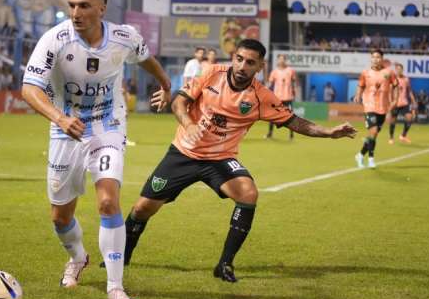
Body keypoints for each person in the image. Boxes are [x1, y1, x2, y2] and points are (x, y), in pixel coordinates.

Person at [106, 39, 356, 283]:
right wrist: (189, 124)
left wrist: (328, 132)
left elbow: (295, 122)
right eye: (239, 59)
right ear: (233, 57)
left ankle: (225, 263)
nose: (242, 66)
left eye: (250, 62)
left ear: (260, 67)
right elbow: (179, 102)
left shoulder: (261, 97)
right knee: (142, 209)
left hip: (220, 159)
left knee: (248, 193)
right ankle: (122, 257)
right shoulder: (212, 73)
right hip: (183, 153)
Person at [21, 0, 171, 299]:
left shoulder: (123, 37)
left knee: (108, 201)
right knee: (60, 216)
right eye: (72, 5)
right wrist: (59, 118)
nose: (76, 12)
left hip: (108, 127)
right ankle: (77, 258)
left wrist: (165, 84)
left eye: (84, 6)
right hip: (65, 131)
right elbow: (29, 89)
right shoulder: (54, 40)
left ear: (101, 8)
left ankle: (115, 288)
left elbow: (146, 58)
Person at [353, 49, 398, 169]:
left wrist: (395, 99)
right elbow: (360, 85)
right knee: (373, 131)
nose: (375, 59)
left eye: (378, 57)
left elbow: (395, 85)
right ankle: (371, 159)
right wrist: (358, 95)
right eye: (373, 57)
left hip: (383, 107)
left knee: (373, 135)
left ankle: (360, 155)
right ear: (371, 59)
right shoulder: (365, 72)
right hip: (369, 105)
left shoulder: (389, 72)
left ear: (382, 59)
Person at [265, 55, 297, 140]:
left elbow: (294, 82)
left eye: (283, 59)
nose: (281, 61)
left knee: (290, 116)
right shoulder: (274, 71)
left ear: (285, 60)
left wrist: (294, 91)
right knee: (272, 116)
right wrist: (266, 92)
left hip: (288, 97)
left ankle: (291, 135)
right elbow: (270, 84)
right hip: (277, 98)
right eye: (280, 59)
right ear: (278, 61)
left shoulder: (290, 71)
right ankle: (270, 133)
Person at [388, 63, 416, 144]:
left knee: (409, 118)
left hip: (404, 103)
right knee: (393, 121)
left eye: (400, 69)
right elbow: (390, 92)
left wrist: (413, 101)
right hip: (395, 103)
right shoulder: (393, 79)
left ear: (402, 70)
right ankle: (391, 137)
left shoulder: (406, 79)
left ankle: (403, 135)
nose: (399, 70)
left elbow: (409, 91)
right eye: (397, 69)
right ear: (395, 70)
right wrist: (390, 102)